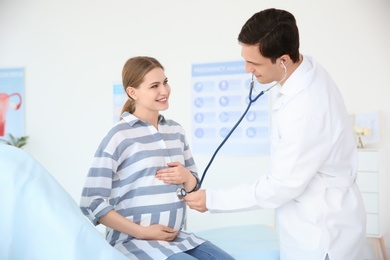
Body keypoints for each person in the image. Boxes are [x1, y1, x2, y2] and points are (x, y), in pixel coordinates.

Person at [185, 8, 366, 260]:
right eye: (245, 59)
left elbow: (281, 185)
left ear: (283, 60)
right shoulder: (306, 69)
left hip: (321, 233)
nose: (247, 69)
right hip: (313, 220)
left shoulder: (307, 107)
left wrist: (213, 200)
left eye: (254, 63)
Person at [80, 56, 233, 260]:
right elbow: (91, 202)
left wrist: (187, 177)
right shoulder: (119, 135)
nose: (164, 91)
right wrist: (142, 232)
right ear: (132, 92)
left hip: (178, 238)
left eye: (165, 82)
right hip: (133, 242)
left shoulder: (176, 131)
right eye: (154, 86)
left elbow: (194, 188)